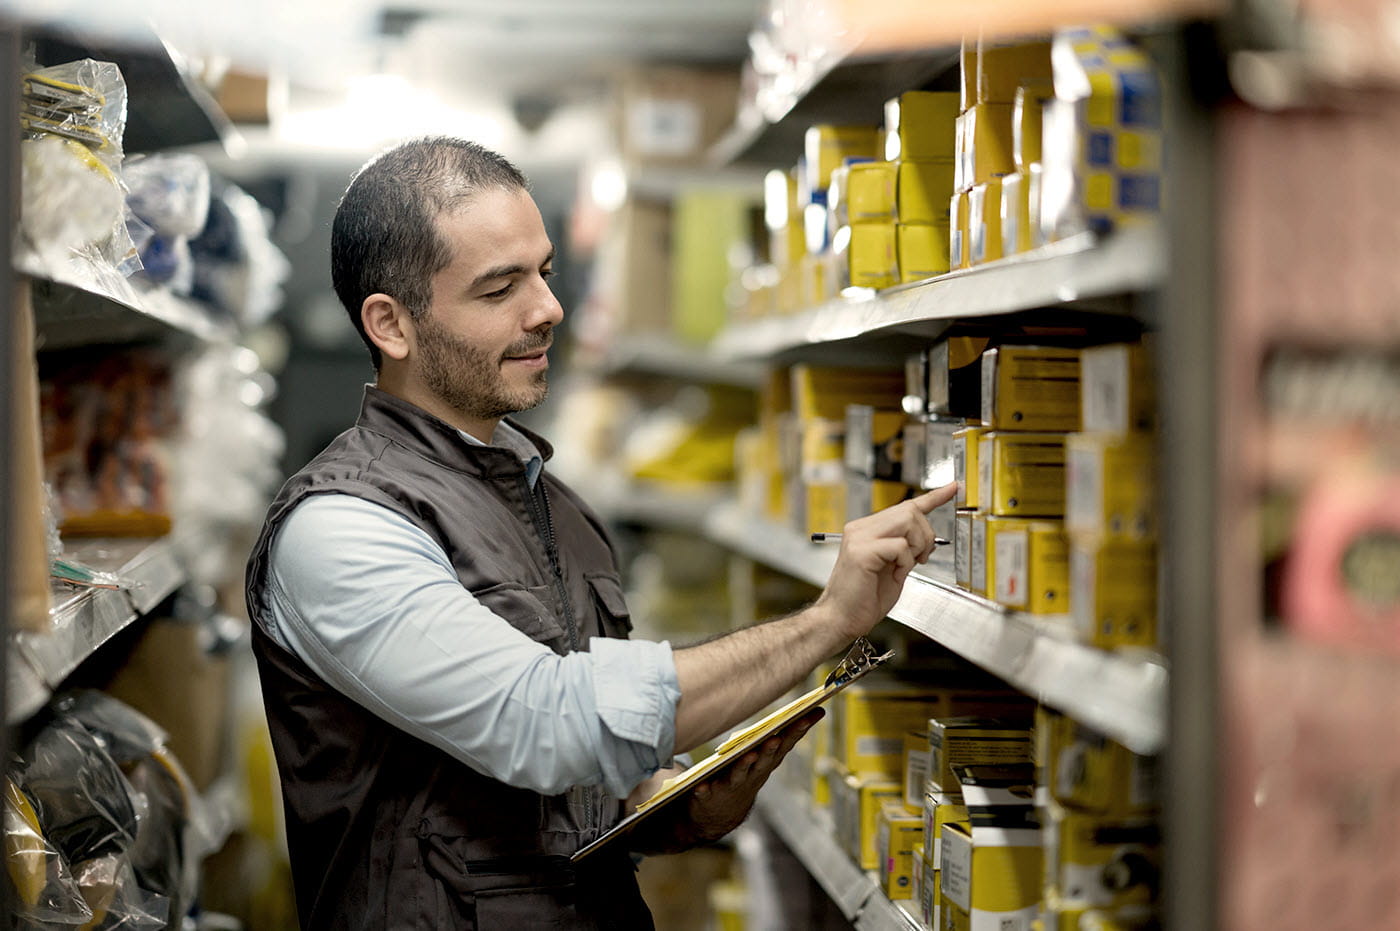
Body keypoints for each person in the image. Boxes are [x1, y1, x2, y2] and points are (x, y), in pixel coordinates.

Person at [244, 136, 955, 930]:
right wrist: (826, 624)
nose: (547, 307)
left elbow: (563, 785)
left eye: (544, 272)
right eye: (499, 288)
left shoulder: (558, 509)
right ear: (392, 324)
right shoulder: (341, 528)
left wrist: (673, 804)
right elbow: (543, 722)